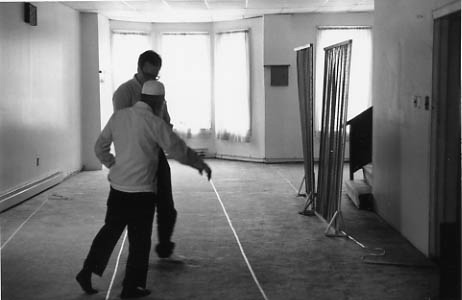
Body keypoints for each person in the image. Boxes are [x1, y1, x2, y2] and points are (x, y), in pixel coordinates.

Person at [76, 80, 212, 299]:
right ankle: (131, 287)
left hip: (118, 189)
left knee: (109, 232)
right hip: (142, 192)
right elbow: (178, 150)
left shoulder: (119, 117)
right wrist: (200, 164)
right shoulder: (155, 123)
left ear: (141, 97)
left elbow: (99, 147)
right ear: (160, 102)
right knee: (140, 242)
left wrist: (112, 164)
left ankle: (87, 271)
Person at [113, 50, 177, 259]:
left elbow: (165, 120)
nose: (152, 79)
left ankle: (165, 248)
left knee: (167, 206)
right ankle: (135, 260)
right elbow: (122, 126)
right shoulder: (124, 92)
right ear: (139, 68)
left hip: (156, 155)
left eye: (156, 76)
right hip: (134, 158)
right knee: (134, 214)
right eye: (149, 75)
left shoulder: (157, 93)